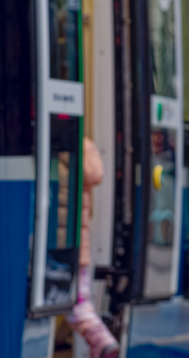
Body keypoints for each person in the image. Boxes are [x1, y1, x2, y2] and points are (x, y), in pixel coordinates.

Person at [68, 138, 120, 358]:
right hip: (80, 245)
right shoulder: (84, 144)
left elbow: (94, 173)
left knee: (74, 300)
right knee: (77, 297)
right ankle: (101, 342)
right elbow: (96, 174)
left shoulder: (77, 142)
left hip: (69, 243)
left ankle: (101, 340)